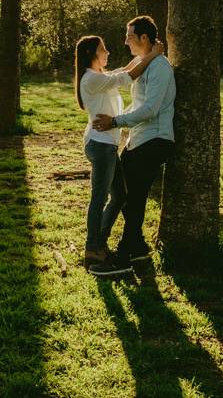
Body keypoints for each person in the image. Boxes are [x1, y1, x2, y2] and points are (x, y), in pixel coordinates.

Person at [87, 15, 175, 277]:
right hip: (137, 139)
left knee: (133, 199)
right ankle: (137, 249)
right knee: (125, 197)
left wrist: (116, 121)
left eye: (129, 36)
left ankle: (123, 257)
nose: (125, 41)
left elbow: (150, 109)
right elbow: (127, 85)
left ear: (144, 38)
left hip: (155, 139)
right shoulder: (143, 62)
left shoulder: (160, 67)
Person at [75, 34, 163, 275]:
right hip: (101, 146)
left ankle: (99, 241)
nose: (108, 52)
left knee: (120, 195)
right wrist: (153, 55)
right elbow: (129, 75)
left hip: (108, 145)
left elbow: (125, 69)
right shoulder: (91, 79)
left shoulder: (99, 76)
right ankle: (93, 248)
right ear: (92, 53)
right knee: (100, 197)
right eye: (103, 49)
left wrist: (145, 55)